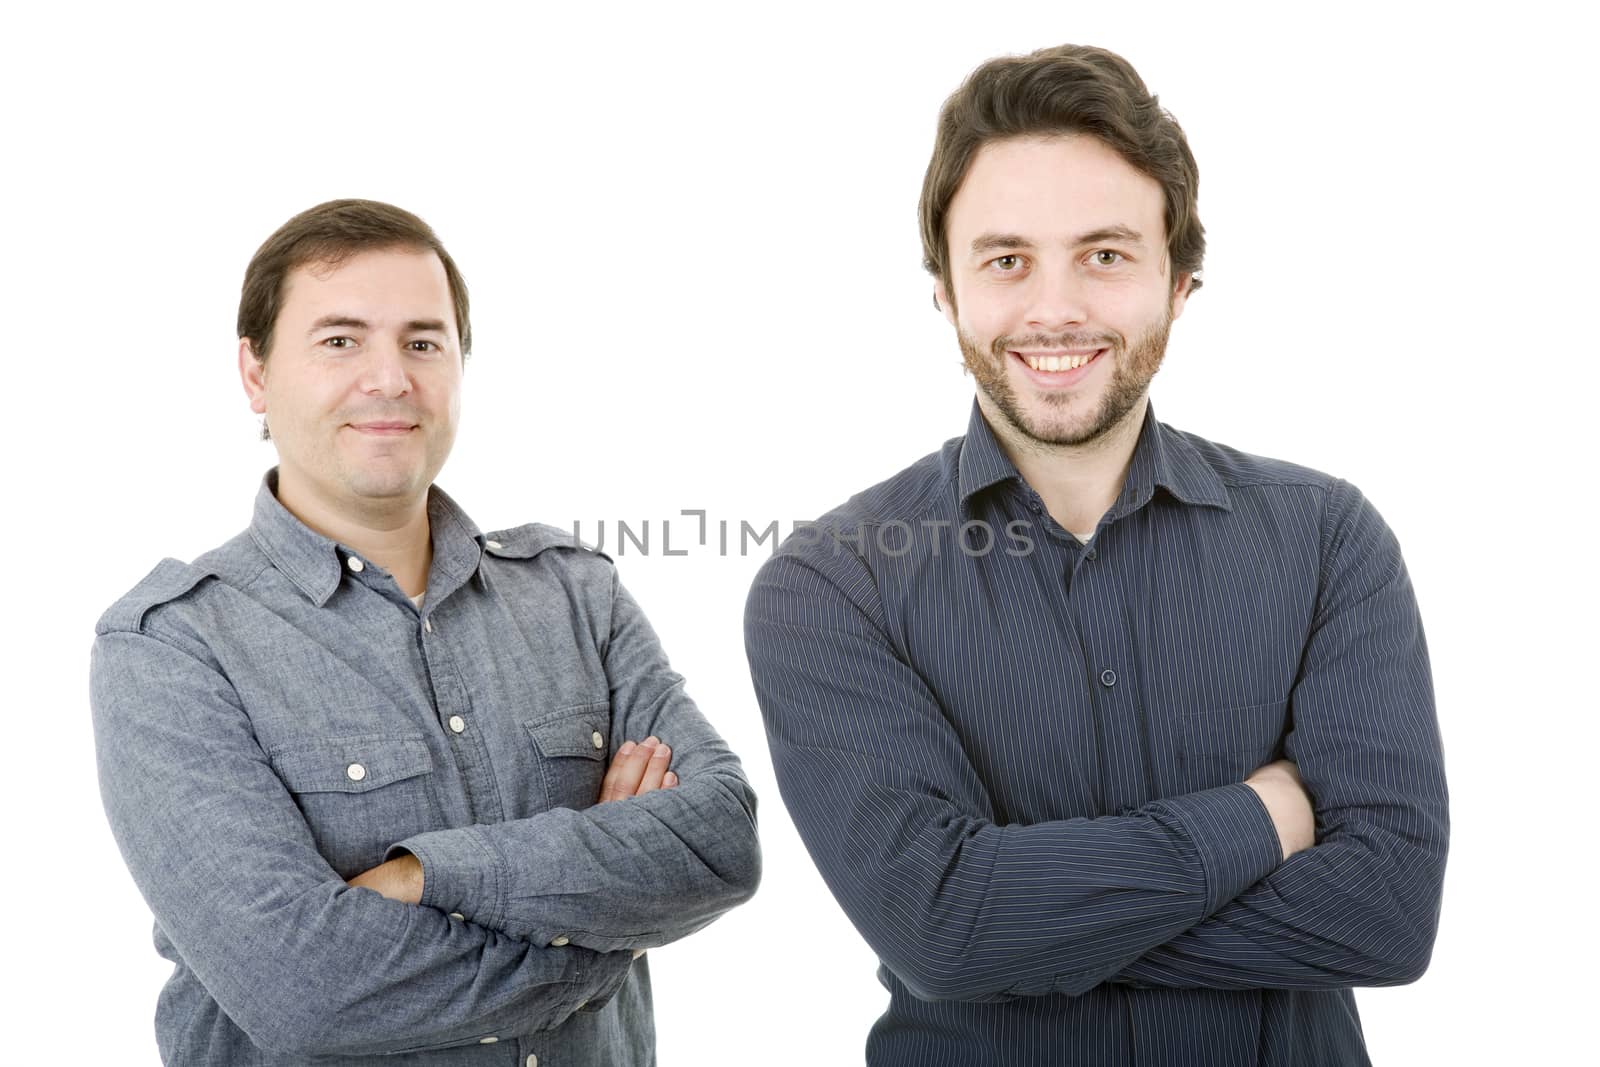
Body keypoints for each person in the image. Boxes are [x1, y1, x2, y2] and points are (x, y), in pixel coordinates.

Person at [744, 44, 1447, 1067]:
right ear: (944, 290)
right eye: (1006, 258)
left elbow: (1385, 914)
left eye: (1105, 254)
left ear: (1179, 283)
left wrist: (1021, 922)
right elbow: (941, 929)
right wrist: (1263, 815)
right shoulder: (831, 585)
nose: (1055, 308)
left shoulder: (1328, 539)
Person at [91, 199, 761, 1066]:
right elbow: (307, 992)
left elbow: (722, 842)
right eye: (340, 340)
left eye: (422, 341)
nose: (389, 378)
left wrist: (424, 876)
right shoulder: (172, 646)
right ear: (255, 373)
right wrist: (606, 926)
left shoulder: (573, 592)